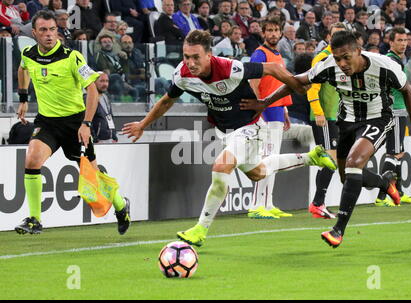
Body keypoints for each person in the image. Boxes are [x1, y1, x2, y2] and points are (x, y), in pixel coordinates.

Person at [122, 29, 337, 246]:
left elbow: (272, 68)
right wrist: (142, 124)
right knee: (257, 172)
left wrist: (291, 87)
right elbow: (167, 100)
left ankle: (200, 229)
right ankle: (311, 157)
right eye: (186, 57)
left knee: (220, 167)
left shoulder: (228, 68)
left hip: (250, 127)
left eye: (196, 57)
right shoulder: (182, 75)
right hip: (225, 132)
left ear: (209, 55)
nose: (191, 63)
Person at [241, 30, 411, 248]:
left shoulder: (383, 66)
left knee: (354, 164)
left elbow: (407, 91)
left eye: (346, 57)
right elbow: (298, 82)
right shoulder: (329, 65)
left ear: (358, 51)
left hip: (378, 119)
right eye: (338, 58)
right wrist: (265, 101)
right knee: (346, 176)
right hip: (347, 122)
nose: (341, 63)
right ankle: (384, 182)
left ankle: (338, 229)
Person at [15, 10, 130, 235]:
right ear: (35, 33)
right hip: (47, 122)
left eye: (52, 30)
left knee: (92, 180)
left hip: (75, 123)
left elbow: (93, 90)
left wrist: (86, 124)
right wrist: (23, 99)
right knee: (32, 159)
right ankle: (34, 219)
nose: (49, 35)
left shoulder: (71, 57)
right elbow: (22, 70)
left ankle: (120, 205)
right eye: (43, 30)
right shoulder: (29, 54)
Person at [376, 27, 411, 207]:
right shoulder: (393, 61)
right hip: (395, 111)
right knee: (394, 153)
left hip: (393, 111)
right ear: (390, 42)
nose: (403, 44)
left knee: (397, 152)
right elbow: (405, 89)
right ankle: (381, 196)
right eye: (399, 40)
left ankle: (398, 192)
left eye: (405, 40)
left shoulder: (391, 60)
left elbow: (405, 87)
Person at [247, 17, 294, 219]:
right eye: (270, 30)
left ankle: (268, 202)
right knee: (265, 158)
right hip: (265, 112)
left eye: (276, 30)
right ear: (263, 33)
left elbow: (278, 86)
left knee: (273, 158)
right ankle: (256, 205)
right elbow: (253, 83)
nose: (273, 33)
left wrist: (284, 110)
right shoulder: (260, 54)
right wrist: (257, 110)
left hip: (276, 110)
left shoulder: (277, 55)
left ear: (281, 33)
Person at [306, 22, 346, 219]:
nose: (339, 37)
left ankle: (319, 203)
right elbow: (312, 87)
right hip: (324, 117)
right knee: (329, 160)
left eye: (343, 34)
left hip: (335, 117)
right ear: (329, 37)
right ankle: (317, 203)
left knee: (329, 161)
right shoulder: (322, 58)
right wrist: (318, 112)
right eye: (336, 34)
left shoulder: (344, 58)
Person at [91, 72, 118, 143]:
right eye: (102, 81)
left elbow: (109, 116)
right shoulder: (88, 98)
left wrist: (114, 135)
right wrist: (95, 139)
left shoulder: (105, 97)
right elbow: (87, 121)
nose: (105, 84)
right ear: (94, 82)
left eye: (107, 81)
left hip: (109, 139)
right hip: (97, 142)